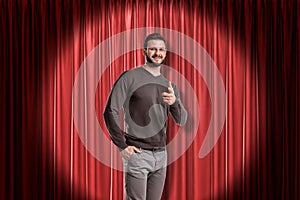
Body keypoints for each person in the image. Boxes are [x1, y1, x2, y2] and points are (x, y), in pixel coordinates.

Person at [103, 33, 187, 200]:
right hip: (137, 153)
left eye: (161, 49)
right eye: (153, 49)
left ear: (166, 52)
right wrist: (122, 146)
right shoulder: (129, 77)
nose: (158, 53)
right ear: (144, 51)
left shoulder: (169, 85)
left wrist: (174, 102)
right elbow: (110, 111)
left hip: (161, 155)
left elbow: (182, 119)